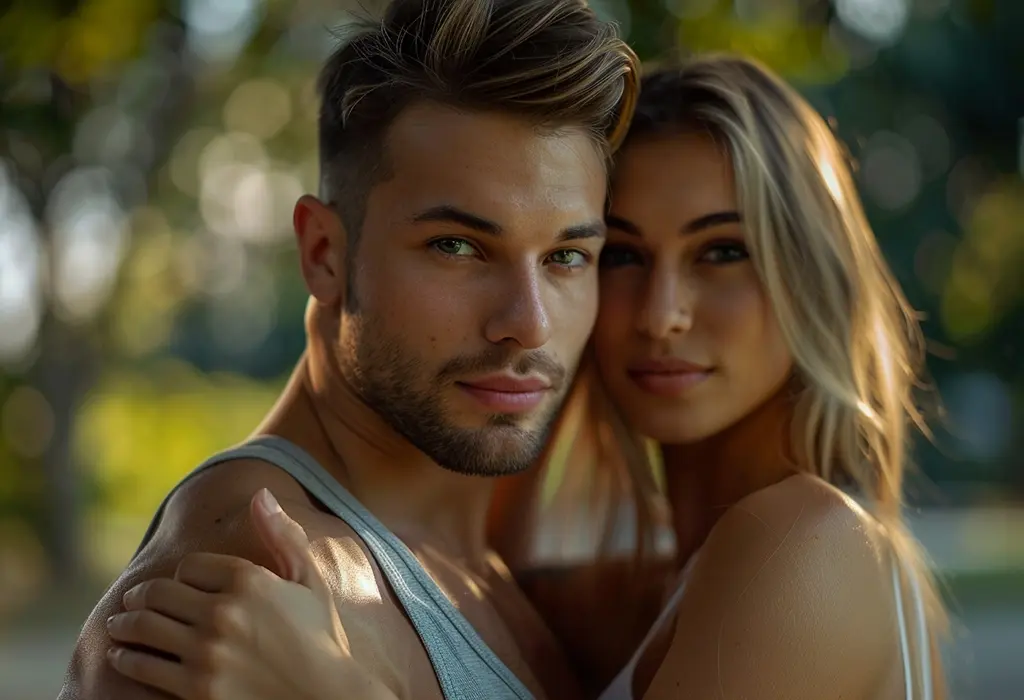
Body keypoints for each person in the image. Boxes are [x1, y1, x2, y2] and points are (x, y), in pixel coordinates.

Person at [106, 54, 949, 700]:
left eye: (724, 251)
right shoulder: (619, 588)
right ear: (323, 252)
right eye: (619, 256)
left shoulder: (806, 545)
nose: (660, 314)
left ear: (817, 278)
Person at [58, 0, 638, 698]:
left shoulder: (466, 554)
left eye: (567, 256)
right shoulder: (244, 574)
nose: (530, 323)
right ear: (325, 252)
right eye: (457, 246)